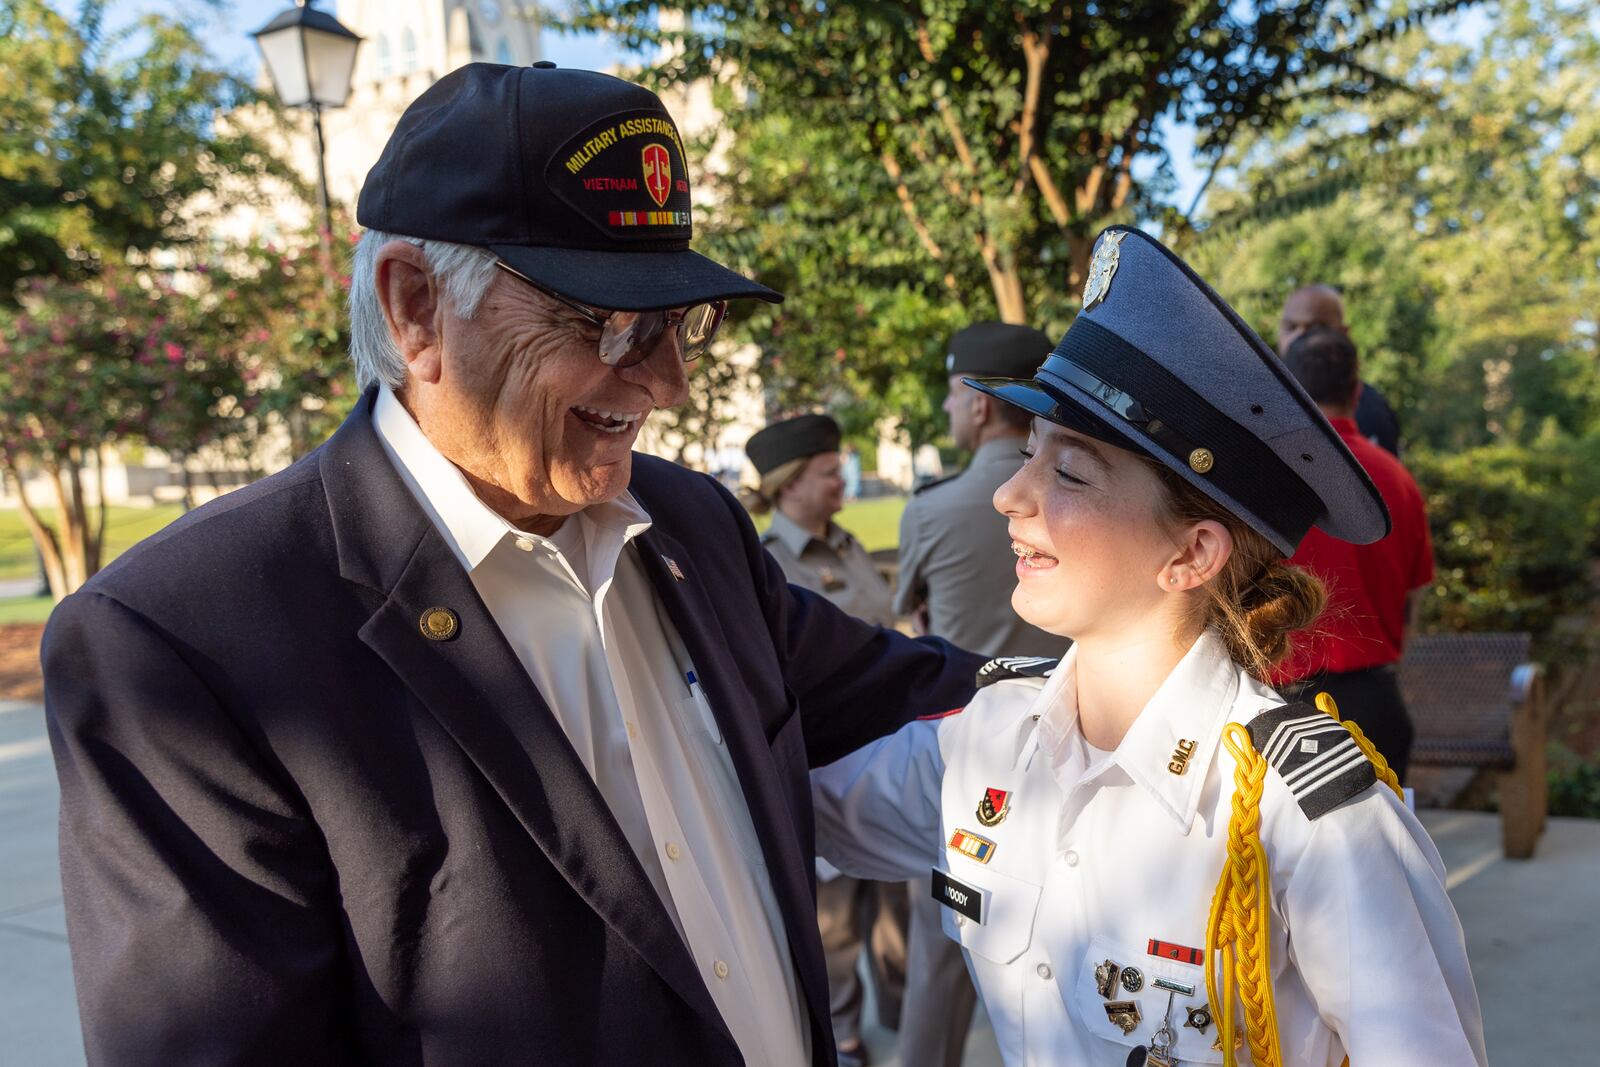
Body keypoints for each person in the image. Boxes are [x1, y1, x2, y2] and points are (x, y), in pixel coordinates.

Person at [42, 63, 985, 1066]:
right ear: (414, 309)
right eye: (609, 321)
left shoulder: (690, 524)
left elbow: (904, 698)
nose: (665, 381)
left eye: (677, 324)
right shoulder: (186, 642)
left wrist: (1157, 672)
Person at [812, 227, 1485, 1066]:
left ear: (1192, 553)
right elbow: (772, 807)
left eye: (1071, 473)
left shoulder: (1306, 821)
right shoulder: (988, 739)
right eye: (1028, 456)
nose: (1013, 497)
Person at [891, 321, 1060, 1067]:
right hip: (1073, 746)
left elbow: (909, 615)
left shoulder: (931, 508)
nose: (948, 409)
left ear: (983, 403)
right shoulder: (1079, 499)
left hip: (965, 763)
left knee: (939, 960)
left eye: (954, 393)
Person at [743, 413, 909, 1067]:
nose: (843, 478)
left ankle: (900, 1021)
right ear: (788, 485)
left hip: (891, 754)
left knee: (894, 901)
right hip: (822, 769)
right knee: (833, 920)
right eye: (828, 470)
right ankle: (841, 1034)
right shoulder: (762, 563)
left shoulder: (848, 545)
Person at [1271, 327, 1434, 781]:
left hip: (1284, 708)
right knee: (1383, 849)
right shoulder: (1399, 480)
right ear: (1357, 391)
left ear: (1291, 389)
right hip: (1376, 702)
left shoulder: (1264, 477)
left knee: (1286, 852)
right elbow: (1414, 600)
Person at [1277, 283, 1402, 455]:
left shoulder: (1369, 412)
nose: (1298, 338)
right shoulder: (1259, 399)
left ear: (1342, 333)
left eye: (1315, 328)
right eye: (1290, 327)